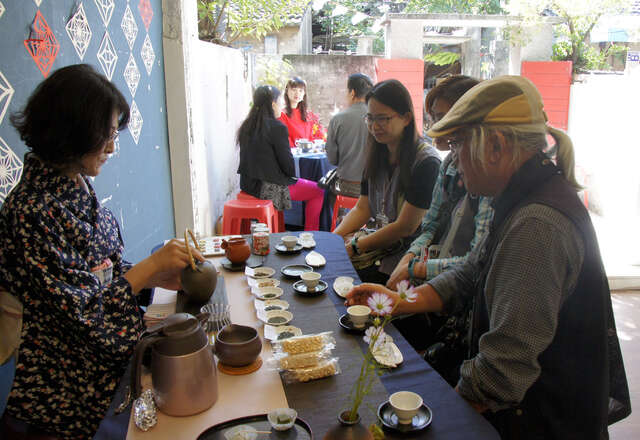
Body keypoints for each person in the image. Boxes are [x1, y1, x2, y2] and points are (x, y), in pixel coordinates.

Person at [347, 75, 631, 438]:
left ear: (495, 146)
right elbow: (471, 270)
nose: (455, 161)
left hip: (542, 421)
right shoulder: (520, 196)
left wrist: (444, 423)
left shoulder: (536, 226)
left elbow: (502, 367)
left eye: (459, 144)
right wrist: (402, 301)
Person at [0, 64, 204, 438]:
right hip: (61, 399)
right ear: (70, 132)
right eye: (105, 135)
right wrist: (151, 266)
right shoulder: (29, 210)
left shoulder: (75, 183)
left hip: (104, 377)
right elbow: (82, 312)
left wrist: (157, 277)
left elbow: (102, 271)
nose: (112, 147)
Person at [385, 76, 493, 372]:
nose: (435, 127)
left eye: (444, 118)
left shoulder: (487, 180)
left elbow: (473, 265)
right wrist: (408, 260)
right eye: (433, 118)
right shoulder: (448, 165)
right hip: (441, 277)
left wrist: (414, 268)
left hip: (458, 299)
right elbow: (428, 227)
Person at [333, 79, 441, 284]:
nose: (375, 126)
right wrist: (334, 239)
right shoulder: (377, 153)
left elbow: (405, 227)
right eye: (370, 118)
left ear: (407, 118)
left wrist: (356, 247)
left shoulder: (426, 163)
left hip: (406, 258)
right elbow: (362, 208)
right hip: (377, 248)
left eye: (383, 119)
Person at [237, 85, 325, 231]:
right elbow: (288, 168)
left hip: (248, 185)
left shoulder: (247, 126)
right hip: (268, 188)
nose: (282, 106)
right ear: (273, 104)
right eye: (280, 102)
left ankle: (280, 230)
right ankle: (310, 236)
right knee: (318, 191)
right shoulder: (277, 127)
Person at [325, 73, 373, 199]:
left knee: (328, 195)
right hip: (374, 188)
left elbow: (332, 159)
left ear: (352, 93)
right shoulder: (379, 118)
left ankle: (340, 218)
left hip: (347, 186)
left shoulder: (338, 119)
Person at [278, 77, 326, 148]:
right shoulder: (281, 115)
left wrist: (311, 146)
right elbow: (283, 138)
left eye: (300, 90)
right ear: (287, 91)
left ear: (304, 94)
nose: (297, 93)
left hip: (310, 152)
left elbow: (319, 134)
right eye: (294, 90)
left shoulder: (310, 115)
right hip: (293, 154)